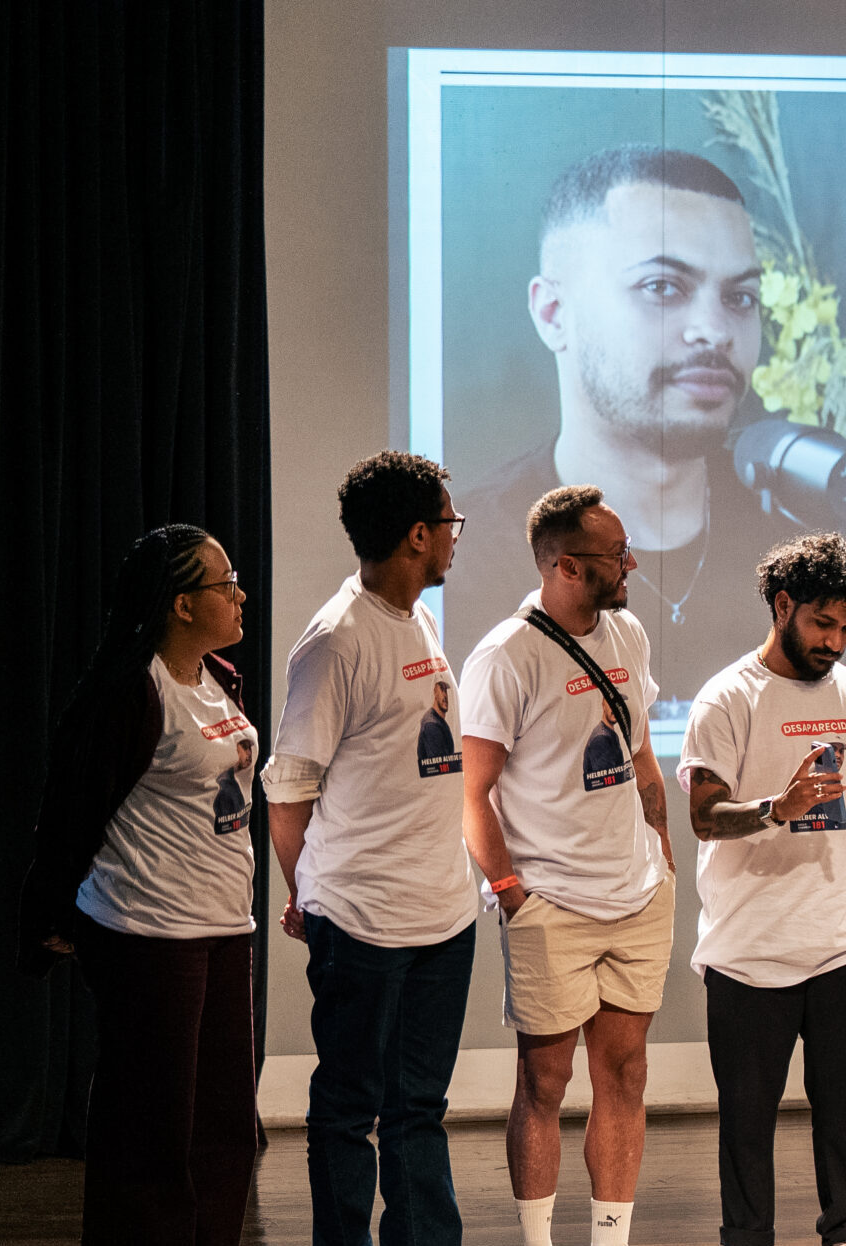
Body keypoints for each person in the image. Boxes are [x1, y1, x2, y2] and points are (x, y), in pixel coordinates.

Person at [452, 145, 811, 725]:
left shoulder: (795, 545)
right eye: (663, 288)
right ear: (553, 313)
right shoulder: (463, 563)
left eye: (740, 297)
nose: (714, 331)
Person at [263, 451, 485, 1245]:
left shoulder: (417, 616)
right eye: (450, 524)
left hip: (443, 917)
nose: (457, 537)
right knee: (351, 1109)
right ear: (418, 535)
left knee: (419, 1107)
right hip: (361, 922)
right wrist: (308, 896)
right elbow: (288, 791)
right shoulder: (334, 640)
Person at [18, 523, 258, 1245]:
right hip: (149, 938)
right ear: (181, 605)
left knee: (224, 1132)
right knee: (152, 1135)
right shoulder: (131, 690)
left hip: (222, 930)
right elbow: (70, 811)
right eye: (224, 584)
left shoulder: (219, 680)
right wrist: (53, 911)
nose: (240, 594)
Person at [460, 485, 677, 1246]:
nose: (633, 564)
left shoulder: (628, 636)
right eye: (618, 556)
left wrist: (661, 838)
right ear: (566, 568)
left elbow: (640, 748)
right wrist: (513, 893)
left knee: (625, 1076)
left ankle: (610, 1241)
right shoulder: (505, 656)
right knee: (544, 1083)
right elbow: (473, 792)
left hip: (638, 894)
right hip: (551, 900)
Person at [681, 533, 846, 1246]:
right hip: (750, 951)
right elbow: (705, 814)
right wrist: (780, 809)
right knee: (747, 1121)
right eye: (820, 624)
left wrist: (826, 841)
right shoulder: (728, 697)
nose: (834, 642)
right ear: (782, 606)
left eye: (845, 628)